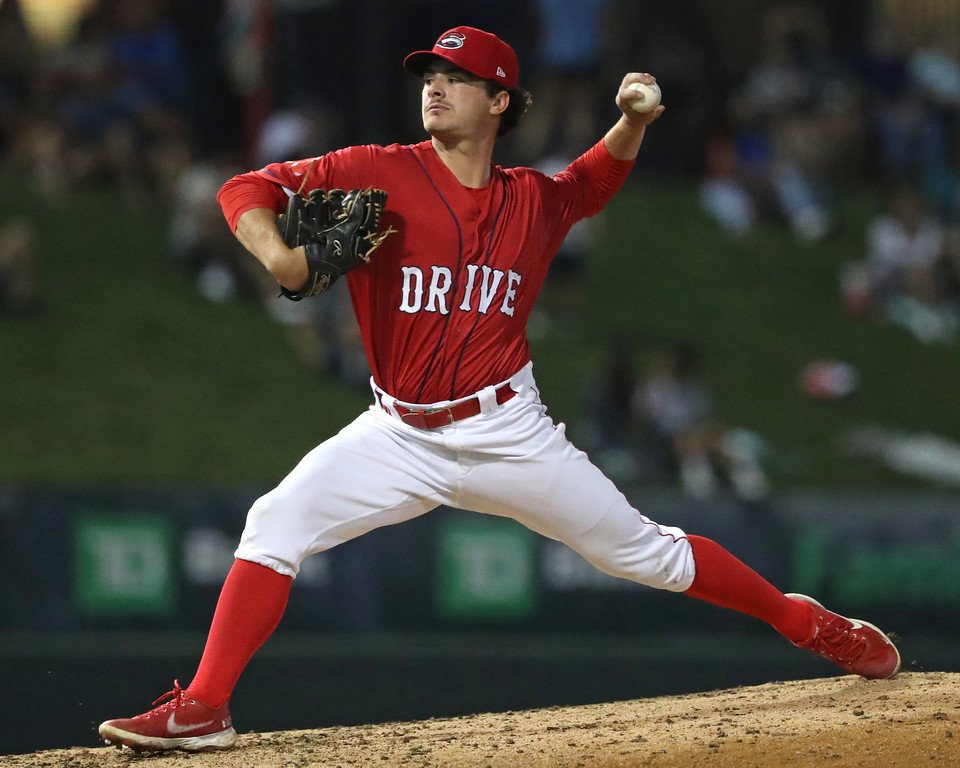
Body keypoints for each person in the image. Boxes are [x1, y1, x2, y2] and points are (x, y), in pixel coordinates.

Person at [98, 25, 901, 754]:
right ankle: (205, 707)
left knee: (645, 553)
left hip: (508, 432)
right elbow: (244, 187)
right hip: (397, 432)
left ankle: (804, 621)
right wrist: (279, 256)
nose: (435, 87)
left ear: (501, 101)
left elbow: (590, 182)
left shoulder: (531, 200)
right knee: (275, 520)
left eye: (457, 77)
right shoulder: (379, 169)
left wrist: (633, 121)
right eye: (430, 75)